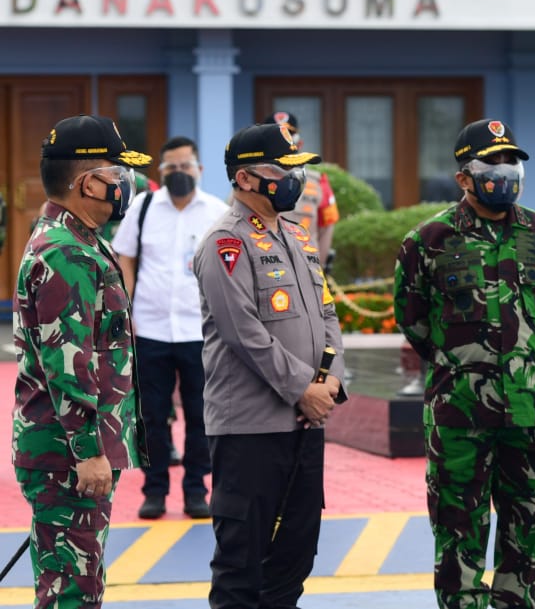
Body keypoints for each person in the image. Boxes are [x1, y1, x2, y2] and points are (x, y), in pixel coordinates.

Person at [393, 118, 535, 609]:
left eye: (511, 162)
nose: (505, 172)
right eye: (493, 163)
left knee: (527, 534)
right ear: (465, 176)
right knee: (457, 536)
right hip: (460, 416)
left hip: (532, 415)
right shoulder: (428, 240)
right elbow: (413, 319)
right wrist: (464, 364)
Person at [194, 121, 346, 609]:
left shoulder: (297, 235)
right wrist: (304, 387)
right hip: (250, 429)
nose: (295, 180)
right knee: (242, 563)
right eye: (284, 170)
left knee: (295, 556)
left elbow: (327, 312)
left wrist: (331, 378)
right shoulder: (224, 243)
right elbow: (244, 334)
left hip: (305, 420)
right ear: (244, 178)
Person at [12, 114, 151, 608]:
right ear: (88, 183)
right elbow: (68, 363)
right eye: (117, 176)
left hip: (69, 451)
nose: (125, 186)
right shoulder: (65, 253)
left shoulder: (82, 243)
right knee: (72, 593)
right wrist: (90, 449)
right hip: (67, 455)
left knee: (76, 583)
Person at [112, 136, 229, 520]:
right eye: (171, 168)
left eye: (186, 166)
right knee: (151, 416)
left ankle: (197, 490)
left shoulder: (216, 211)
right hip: (149, 329)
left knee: (201, 415)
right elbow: (124, 258)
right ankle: (155, 490)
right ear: (161, 172)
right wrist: (126, 307)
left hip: (200, 331)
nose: (179, 173)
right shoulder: (142, 208)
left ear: (199, 169)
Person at [262, 111, 340, 264]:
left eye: (288, 135)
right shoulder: (248, 180)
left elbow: (327, 227)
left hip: (306, 268)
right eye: (275, 137)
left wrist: (318, 269)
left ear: (299, 144)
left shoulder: (319, 182)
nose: (282, 142)